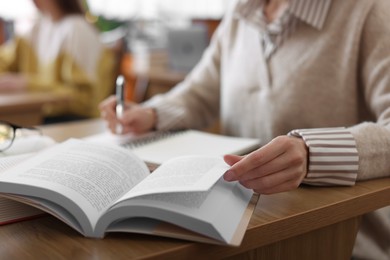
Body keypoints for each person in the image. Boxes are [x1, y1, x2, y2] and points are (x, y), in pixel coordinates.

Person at [99, 0, 390, 259]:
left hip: (338, 237)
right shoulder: (241, 13)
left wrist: (311, 153)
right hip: (232, 221)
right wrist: (151, 114)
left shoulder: (370, 10)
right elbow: (200, 92)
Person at [0, 0, 116, 121]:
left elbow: (84, 100)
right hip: (43, 117)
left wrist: (28, 84)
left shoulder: (77, 29)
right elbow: (5, 61)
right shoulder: (36, 29)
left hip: (74, 122)